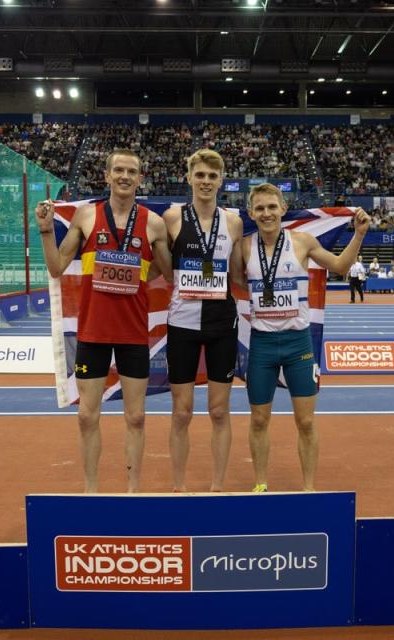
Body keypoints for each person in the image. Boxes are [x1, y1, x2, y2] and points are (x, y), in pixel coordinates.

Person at [35, 148, 172, 493]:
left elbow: (169, 272)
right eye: (119, 170)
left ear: (140, 179)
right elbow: (56, 268)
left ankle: (133, 490)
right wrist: (46, 231)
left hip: (132, 335)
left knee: (136, 417)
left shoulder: (153, 224)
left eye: (132, 171)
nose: (125, 176)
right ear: (107, 176)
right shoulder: (86, 216)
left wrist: (142, 271)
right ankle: (91, 489)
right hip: (93, 333)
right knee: (86, 416)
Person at [236, 183, 370, 492]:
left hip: (298, 345)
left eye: (272, 207)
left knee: (306, 421)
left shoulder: (303, 242)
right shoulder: (243, 247)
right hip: (262, 345)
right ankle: (260, 484)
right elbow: (231, 279)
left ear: (283, 209)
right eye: (260, 208)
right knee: (258, 420)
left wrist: (359, 234)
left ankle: (308, 488)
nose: (267, 213)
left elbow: (339, 267)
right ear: (251, 213)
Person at [162, 149, 244, 492]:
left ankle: (217, 486)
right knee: (181, 413)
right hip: (182, 322)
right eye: (200, 175)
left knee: (219, 412)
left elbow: (239, 273)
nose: (206, 182)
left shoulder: (234, 222)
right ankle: (179, 487)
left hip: (222, 323)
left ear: (220, 181)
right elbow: (165, 270)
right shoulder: (171, 217)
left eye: (212, 176)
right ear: (189, 177)